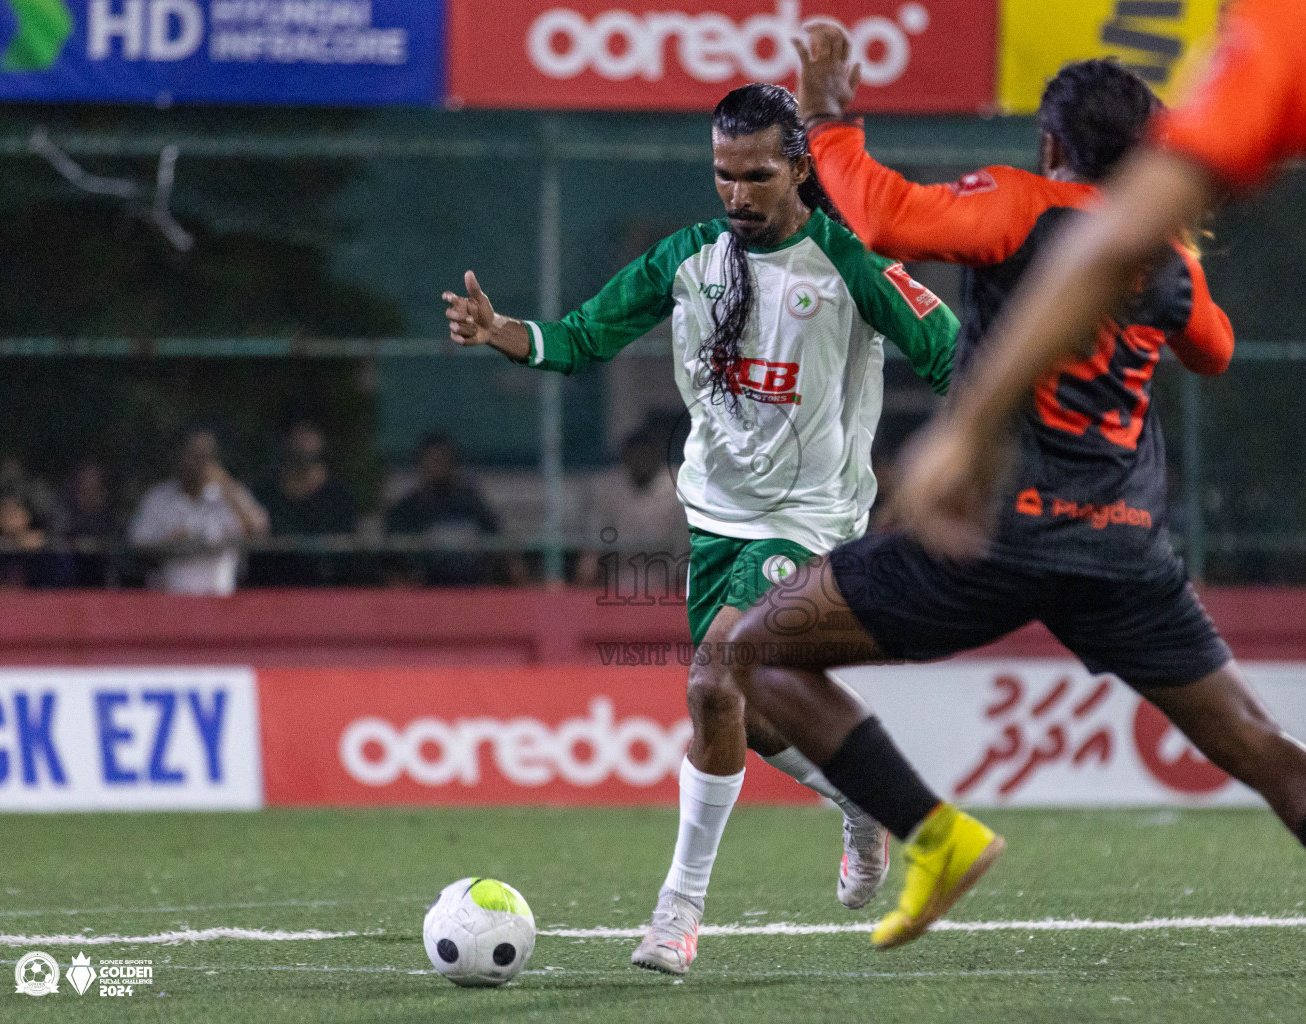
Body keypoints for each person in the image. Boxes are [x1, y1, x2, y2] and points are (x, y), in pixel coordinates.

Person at [728, 25, 1306, 1017]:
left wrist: (832, 116)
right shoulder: (1162, 252)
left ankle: (933, 832)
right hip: (1125, 549)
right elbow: (1215, 348)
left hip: (997, 539)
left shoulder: (1018, 204)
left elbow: (879, 215)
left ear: (1052, 146)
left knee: (759, 650)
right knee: (1259, 742)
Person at [442, 82, 957, 976]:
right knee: (745, 721)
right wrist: (504, 334)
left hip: (810, 520)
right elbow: (581, 338)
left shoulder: (849, 261)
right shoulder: (687, 260)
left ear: (799, 167)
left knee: (713, 680)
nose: (736, 194)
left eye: (757, 175)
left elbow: (951, 350)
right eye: (722, 175)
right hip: (715, 524)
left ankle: (677, 914)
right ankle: (860, 797)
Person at [128, 426, 270, 596]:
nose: (200, 463)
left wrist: (228, 486)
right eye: (194, 456)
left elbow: (259, 531)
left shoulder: (229, 495)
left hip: (221, 604)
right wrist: (167, 542)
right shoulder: (158, 498)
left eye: (206, 457)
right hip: (172, 602)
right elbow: (137, 542)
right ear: (180, 456)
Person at [575, 421, 690, 592]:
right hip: (618, 580)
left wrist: (682, 589)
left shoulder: (679, 484)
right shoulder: (607, 487)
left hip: (668, 581)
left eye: (647, 454)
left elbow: (689, 547)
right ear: (625, 457)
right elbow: (592, 548)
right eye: (635, 455)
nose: (641, 460)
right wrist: (583, 588)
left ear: (658, 456)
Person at [383, 432, 503, 587]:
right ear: (420, 464)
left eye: (443, 461)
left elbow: (496, 542)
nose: (438, 467)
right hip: (421, 593)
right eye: (432, 460)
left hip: (470, 590)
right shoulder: (403, 511)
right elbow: (391, 560)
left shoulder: (471, 504)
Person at [251, 419, 359, 586]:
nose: (305, 442)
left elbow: (343, 558)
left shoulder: (339, 496)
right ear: (287, 439)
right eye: (299, 433)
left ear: (322, 440)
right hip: (271, 591)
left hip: (324, 593)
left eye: (311, 434)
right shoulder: (264, 491)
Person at [59, 460, 118, 586]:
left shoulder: (108, 512)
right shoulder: (67, 508)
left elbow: (115, 539)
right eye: (87, 479)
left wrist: (98, 544)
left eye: (94, 480)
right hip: (71, 568)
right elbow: (59, 536)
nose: (90, 484)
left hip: (101, 568)